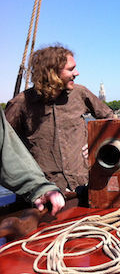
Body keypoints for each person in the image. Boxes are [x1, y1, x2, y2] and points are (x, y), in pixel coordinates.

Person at [5, 44, 113, 192]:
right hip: (44, 190)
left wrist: (98, 142)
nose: (77, 73)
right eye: (70, 69)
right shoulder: (21, 103)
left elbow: (112, 121)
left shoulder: (80, 93)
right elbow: (5, 144)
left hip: (83, 183)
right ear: (52, 73)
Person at [1, 107, 65, 216]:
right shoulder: (21, 102)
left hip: (67, 184)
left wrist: (38, 187)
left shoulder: (81, 94)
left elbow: (6, 147)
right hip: (45, 178)